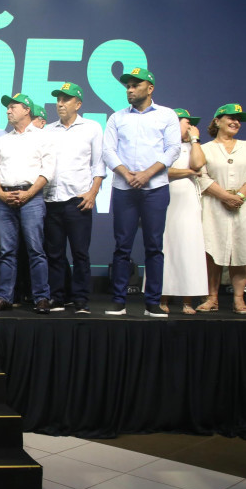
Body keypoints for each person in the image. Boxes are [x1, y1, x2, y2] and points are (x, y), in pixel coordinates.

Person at [102, 67, 181, 317]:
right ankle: (119, 300)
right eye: (128, 86)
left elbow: (173, 150)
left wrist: (147, 174)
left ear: (150, 88)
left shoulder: (167, 115)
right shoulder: (117, 117)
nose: (130, 89)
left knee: (154, 246)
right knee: (122, 246)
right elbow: (108, 151)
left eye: (135, 85)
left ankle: (153, 302)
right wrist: (127, 174)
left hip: (155, 187)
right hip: (125, 188)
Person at [0, 93, 55, 314]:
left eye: (12, 107)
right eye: (7, 107)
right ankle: (4, 297)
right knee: (6, 251)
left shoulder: (43, 137)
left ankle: (41, 298)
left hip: (31, 198)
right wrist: (0, 194)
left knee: (36, 250)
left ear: (27, 110)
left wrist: (29, 194)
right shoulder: (2, 140)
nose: (8, 110)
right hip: (4, 199)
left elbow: (47, 171)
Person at [42, 82, 105, 315]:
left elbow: (99, 164)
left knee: (80, 253)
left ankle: (80, 300)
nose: (60, 103)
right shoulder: (47, 130)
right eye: (58, 99)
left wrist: (93, 192)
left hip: (78, 200)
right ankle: (58, 297)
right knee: (54, 253)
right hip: (51, 200)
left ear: (78, 104)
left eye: (66, 99)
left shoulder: (92, 128)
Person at [196, 103, 246, 314]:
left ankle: (239, 300)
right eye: (231, 117)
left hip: (243, 206)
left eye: (239, 119)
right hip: (214, 205)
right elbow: (201, 177)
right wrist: (225, 196)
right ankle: (212, 298)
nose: (235, 122)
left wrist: (239, 195)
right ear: (217, 121)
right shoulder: (205, 149)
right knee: (213, 252)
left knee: (241, 252)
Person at [159, 108, 207, 314]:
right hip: (167, 197)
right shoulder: (162, 145)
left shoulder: (193, 146)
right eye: (186, 122)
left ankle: (188, 299)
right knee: (165, 247)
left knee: (189, 247)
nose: (189, 127)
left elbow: (198, 164)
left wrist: (195, 140)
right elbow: (162, 171)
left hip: (188, 200)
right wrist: (188, 172)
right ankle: (162, 297)